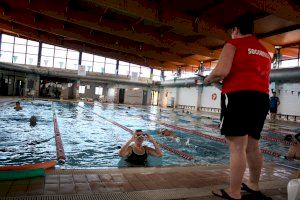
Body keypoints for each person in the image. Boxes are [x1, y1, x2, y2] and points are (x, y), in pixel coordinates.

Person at [204, 13, 271, 200]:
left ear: (236, 29)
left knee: (237, 147)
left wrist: (208, 79)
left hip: (238, 97)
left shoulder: (233, 44)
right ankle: (254, 185)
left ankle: (233, 192)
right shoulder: (264, 52)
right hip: (261, 98)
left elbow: (222, 71)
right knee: (253, 146)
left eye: (232, 31)